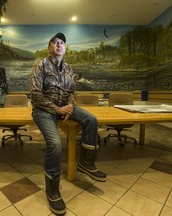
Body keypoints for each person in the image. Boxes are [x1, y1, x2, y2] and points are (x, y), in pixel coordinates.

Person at [30, 32, 106, 215]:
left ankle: (86, 163)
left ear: (65, 48)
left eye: (62, 43)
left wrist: (70, 106)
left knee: (91, 119)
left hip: (65, 107)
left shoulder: (69, 68)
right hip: (44, 110)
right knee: (55, 144)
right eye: (55, 42)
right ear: (49, 47)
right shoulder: (40, 65)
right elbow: (35, 95)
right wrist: (57, 110)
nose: (58, 45)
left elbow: (72, 92)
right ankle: (52, 189)